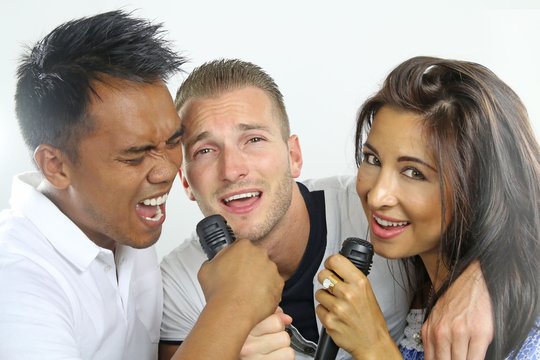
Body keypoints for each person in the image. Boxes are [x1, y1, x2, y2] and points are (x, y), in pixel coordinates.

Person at [159, 59, 495, 359]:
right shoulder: (175, 283)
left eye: (254, 140)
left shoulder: (375, 212)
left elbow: (496, 194)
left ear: (294, 157)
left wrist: (480, 273)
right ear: (185, 182)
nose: (232, 170)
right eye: (205, 150)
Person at [0, 11, 285, 360]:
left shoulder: (122, 229)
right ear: (56, 165)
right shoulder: (14, 280)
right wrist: (233, 307)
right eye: (135, 155)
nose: (166, 171)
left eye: (172, 142)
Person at [315, 56, 540, 359]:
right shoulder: (418, 293)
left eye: (414, 173)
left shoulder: (521, 331)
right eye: (373, 159)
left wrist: (373, 346)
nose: (377, 195)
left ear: (477, 186)